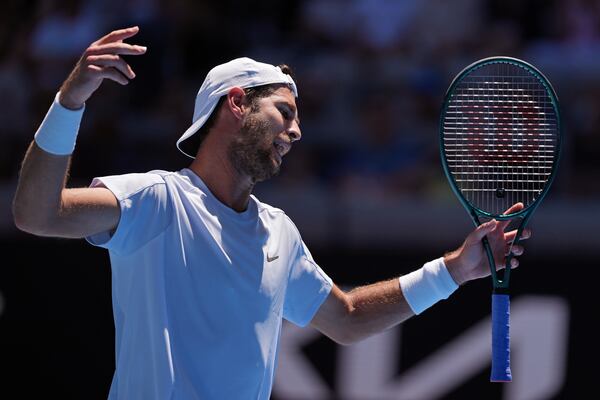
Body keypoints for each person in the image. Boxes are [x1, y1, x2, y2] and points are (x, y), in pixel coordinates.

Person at [12, 26, 530, 400]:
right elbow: (38, 214)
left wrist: (456, 269)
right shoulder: (155, 200)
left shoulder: (276, 231)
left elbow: (346, 320)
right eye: (284, 112)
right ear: (236, 104)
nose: (297, 131)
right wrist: (70, 101)